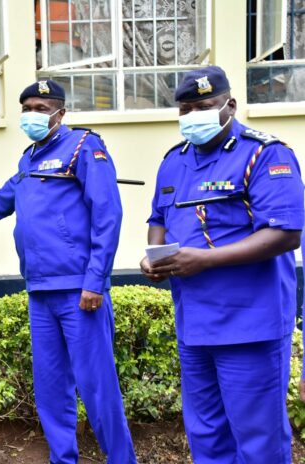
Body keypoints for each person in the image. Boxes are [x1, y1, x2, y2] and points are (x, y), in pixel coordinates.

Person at [0, 80, 136, 464]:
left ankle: (121, 459)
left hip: (78, 291)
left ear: (60, 112)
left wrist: (95, 281)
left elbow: (108, 214)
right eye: (27, 108)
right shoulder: (29, 158)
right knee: (51, 388)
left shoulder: (85, 147)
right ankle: (62, 458)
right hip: (39, 291)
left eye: (40, 107)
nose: (32, 114)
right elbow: (5, 199)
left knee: (97, 387)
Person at [141, 65, 303, 462]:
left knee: (257, 437)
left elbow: (287, 233)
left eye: (204, 105)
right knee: (206, 432)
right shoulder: (174, 161)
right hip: (195, 323)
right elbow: (159, 219)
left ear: (230, 104)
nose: (192, 115)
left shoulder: (265, 154)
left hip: (250, 325)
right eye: (185, 109)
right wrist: (154, 257)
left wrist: (205, 260)